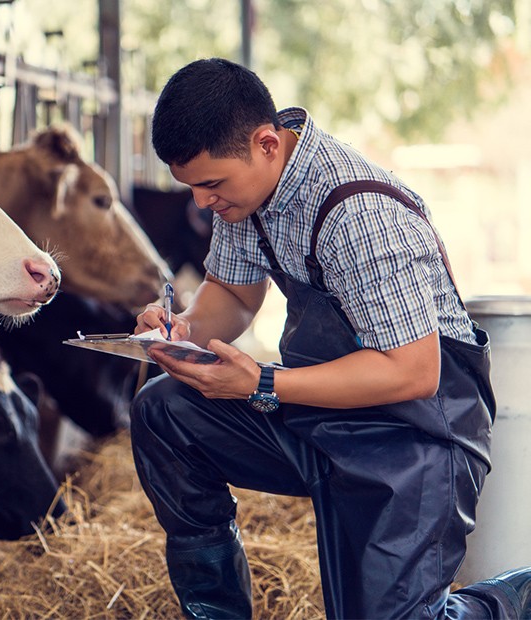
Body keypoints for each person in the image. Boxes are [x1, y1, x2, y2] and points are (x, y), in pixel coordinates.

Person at [131, 57, 531, 619]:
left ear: (267, 143)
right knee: (165, 412)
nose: (201, 203)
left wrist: (263, 381)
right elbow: (235, 294)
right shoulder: (244, 193)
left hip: (415, 436)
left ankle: (510, 601)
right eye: (192, 187)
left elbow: (414, 372)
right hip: (322, 416)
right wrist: (183, 331)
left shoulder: (358, 213)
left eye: (210, 184)